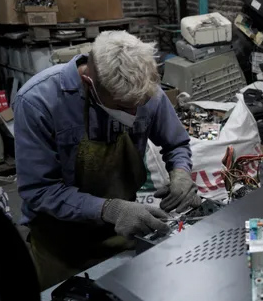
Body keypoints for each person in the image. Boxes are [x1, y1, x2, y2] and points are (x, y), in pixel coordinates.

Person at [13, 31, 201, 289]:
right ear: (90, 83)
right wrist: (109, 209)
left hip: (123, 232)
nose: (135, 113)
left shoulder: (144, 88)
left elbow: (176, 142)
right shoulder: (38, 101)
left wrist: (181, 173)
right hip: (61, 244)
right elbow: (39, 190)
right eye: (125, 107)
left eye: (141, 104)